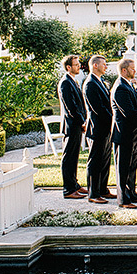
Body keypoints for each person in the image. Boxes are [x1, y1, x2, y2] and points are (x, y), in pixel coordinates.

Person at [111, 58, 137, 208]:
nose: (135, 71)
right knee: (123, 167)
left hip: (133, 133)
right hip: (124, 133)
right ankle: (123, 199)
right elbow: (128, 111)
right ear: (124, 70)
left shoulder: (129, 85)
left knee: (132, 166)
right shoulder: (120, 87)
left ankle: (131, 193)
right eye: (133, 69)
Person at [82, 55, 115, 204]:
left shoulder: (100, 81)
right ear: (95, 65)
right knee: (95, 161)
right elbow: (98, 109)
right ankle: (93, 193)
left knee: (105, 159)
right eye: (104, 64)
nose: (106, 67)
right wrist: (112, 118)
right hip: (96, 127)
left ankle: (103, 189)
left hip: (105, 127)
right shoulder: (90, 83)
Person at [58, 55, 88, 200]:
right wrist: (82, 121)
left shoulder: (73, 81)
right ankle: (68, 189)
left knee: (74, 156)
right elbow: (71, 107)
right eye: (76, 65)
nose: (79, 67)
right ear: (68, 67)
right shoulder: (65, 83)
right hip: (71, 125)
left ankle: (74, 184)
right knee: (68, 157)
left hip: (76, 124)